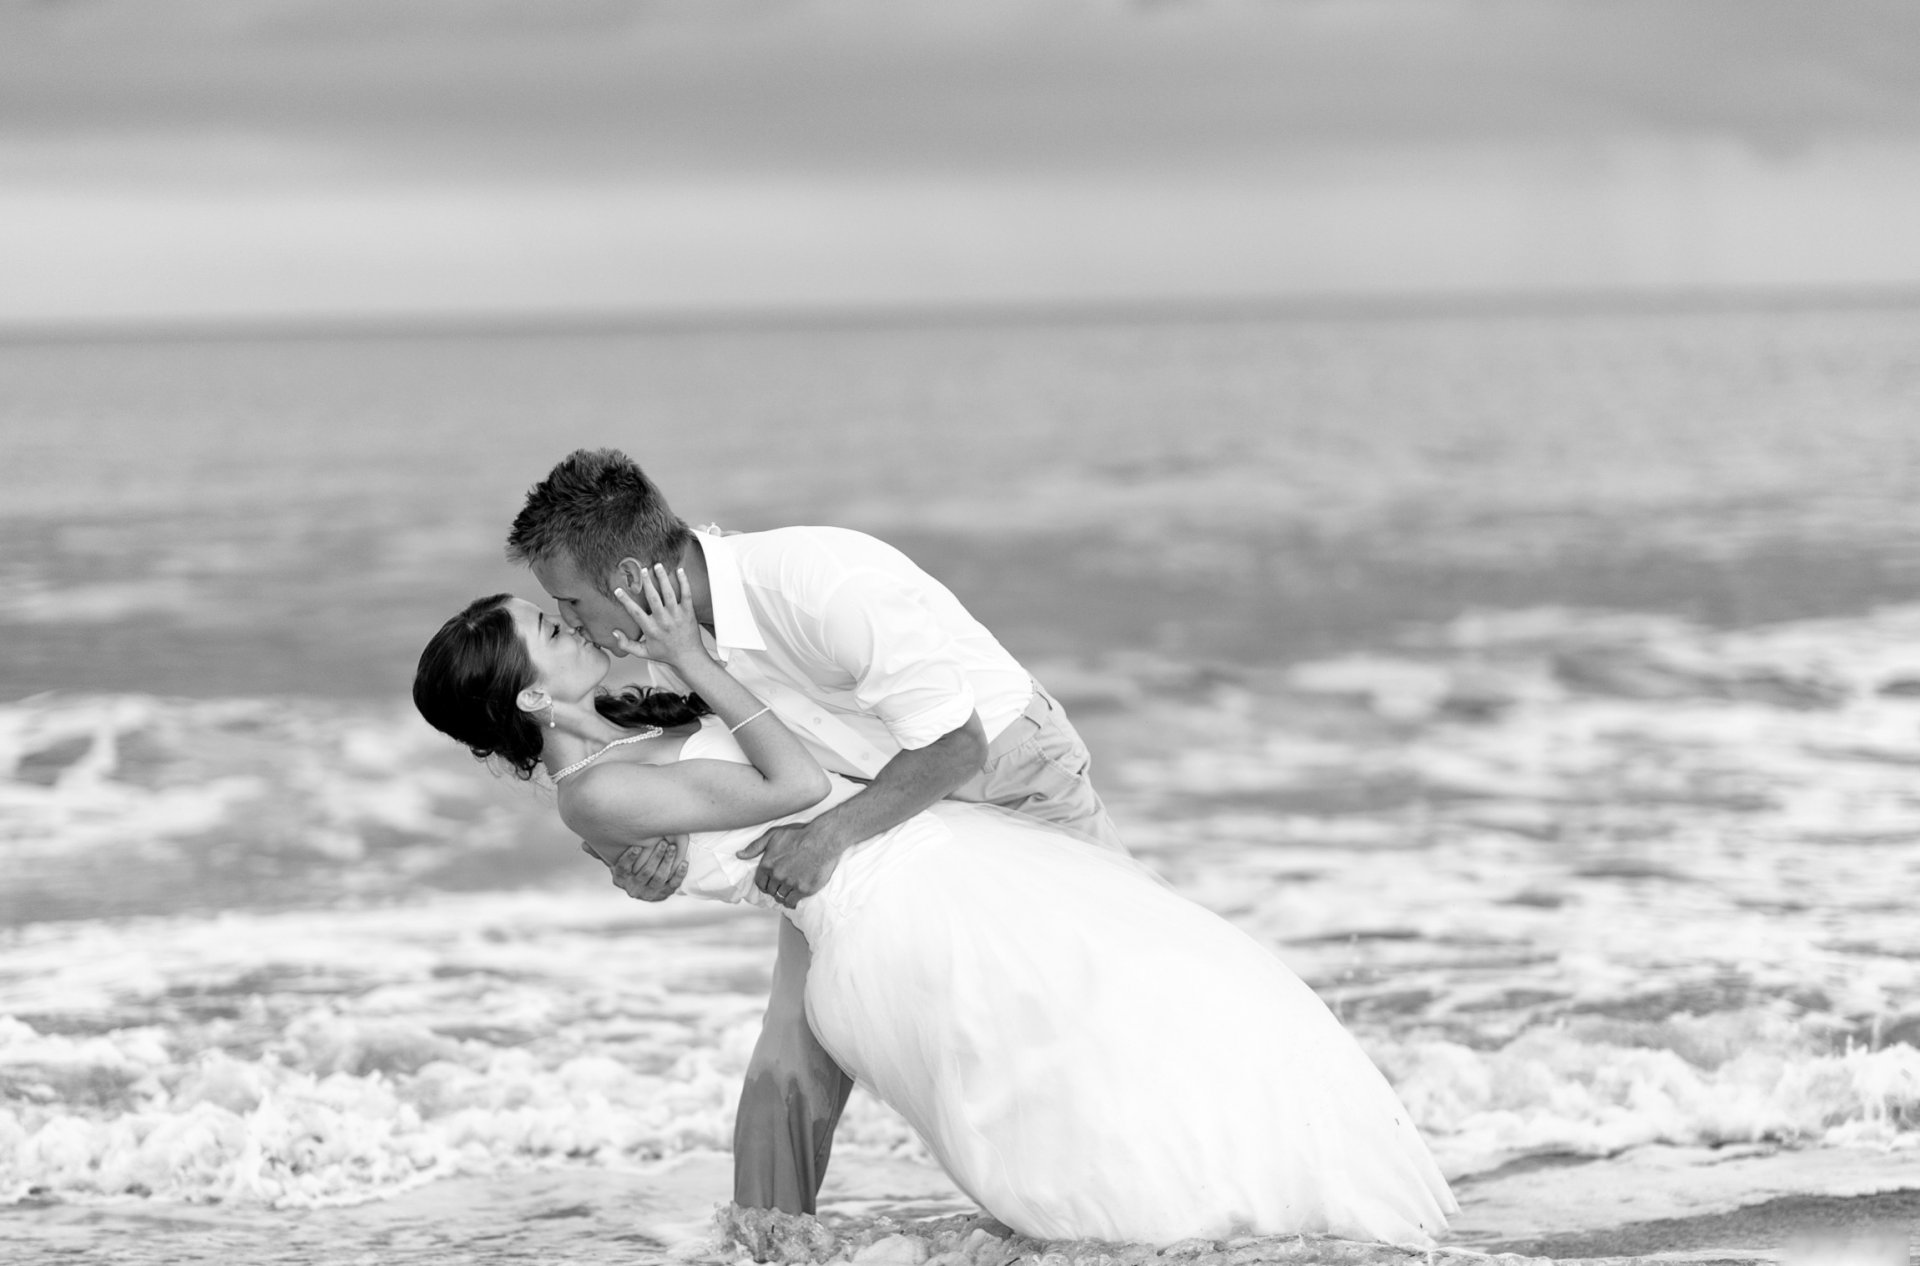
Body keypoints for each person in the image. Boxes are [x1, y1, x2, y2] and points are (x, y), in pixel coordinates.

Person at [411, 568, 1458, 1245]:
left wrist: (690, 670)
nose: (575, 623)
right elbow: (793, 789)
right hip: (890, 914)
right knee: (1064, 1074)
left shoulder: (627, 746)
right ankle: (1177, 1221)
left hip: (931, 865)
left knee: (1130, 1022)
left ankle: (1245, 1207)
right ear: (531, 700)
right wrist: (695, 663)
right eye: (552, 628)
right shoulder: (596, 790)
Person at [502, 448, 1121, 1215]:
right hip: (867, 821)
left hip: (1013, 775)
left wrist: (825, 838)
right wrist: (642, 861)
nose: (573, 623)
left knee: (1106, 994)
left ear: (630, 578)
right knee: (794, 1045)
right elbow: (701, 771)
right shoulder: (668, 644)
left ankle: (1110, 1208)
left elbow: (957, 746)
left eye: (569, 604)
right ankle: (766, 1241)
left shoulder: (818, 583)